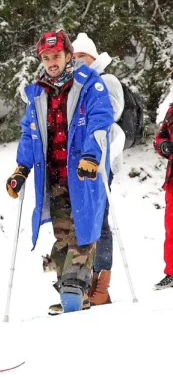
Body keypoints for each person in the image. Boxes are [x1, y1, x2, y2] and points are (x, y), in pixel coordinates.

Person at [6, 31, 114, 314]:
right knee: (63, 238)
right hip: (53, 176)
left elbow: (99, 120)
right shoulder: (39, 93)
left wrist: (91, 154)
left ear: (69, 56)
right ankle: (75, 293)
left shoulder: (89, 84)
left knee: (83, 233)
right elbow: (29, 135)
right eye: (46, 58)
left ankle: (73, 292)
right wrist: (21, 169)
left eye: (56, 56)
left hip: (82, 172)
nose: (51, 63)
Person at [71, 33, 125, 308]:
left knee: (100, 221)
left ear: (93, 57)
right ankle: (84, 280)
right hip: (79, 162)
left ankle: (101, 285)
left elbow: (110, 115)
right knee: (82, 221)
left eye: (83, 57)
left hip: (102, 160)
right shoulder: (74, 86)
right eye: (75, 57)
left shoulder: (107, 80)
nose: (78, 61)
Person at [154, 102, 173, 291]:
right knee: (172, 226)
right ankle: (172, 273)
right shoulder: (172, 110)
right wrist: (164, 146)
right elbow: (159, 139)